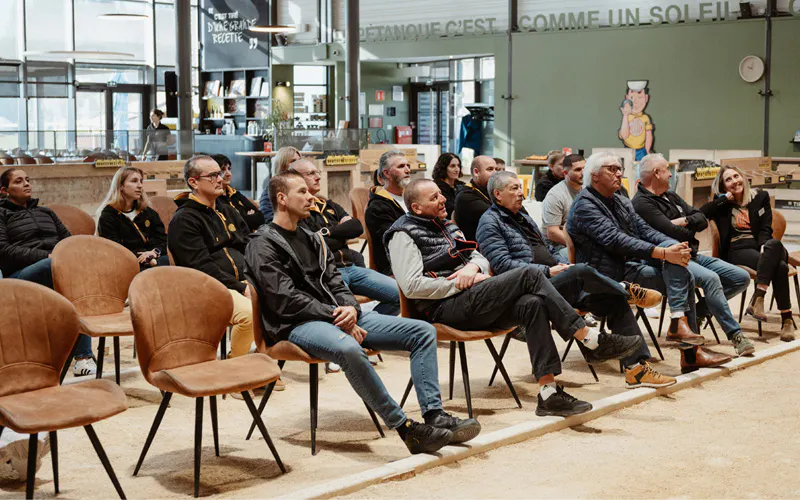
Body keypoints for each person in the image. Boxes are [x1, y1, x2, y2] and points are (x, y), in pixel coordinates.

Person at [245, 171, 481, 454]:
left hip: (336, 314)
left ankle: (435, 415)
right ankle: (406, 429)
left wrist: (351, 310)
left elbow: (335, 279)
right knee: (349, 349)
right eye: (303, 193)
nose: (311, 197)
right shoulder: (262, 243)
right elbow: (284, 298)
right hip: (295, 324)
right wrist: (338, 316)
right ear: (282, 199)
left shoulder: (311, 237)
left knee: (422, 331)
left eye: (310, 192)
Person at [387, 179, 644, 416]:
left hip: (472, 297)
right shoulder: (402, 234)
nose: (443, 199)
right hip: (443, 308)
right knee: (529, 275)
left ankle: (548, 393)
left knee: (532, 304)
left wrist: (472, 268)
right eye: (434, 198)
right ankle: (589, 338)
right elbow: (411, 286)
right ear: (417, 208)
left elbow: (478, 256)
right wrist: (457, 284)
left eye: (441, 194)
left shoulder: (448, 226)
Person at [477, 171, 673, 388]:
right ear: (497, 194)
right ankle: (625, 289)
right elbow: (503, 265)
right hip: (529, 290)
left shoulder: (522, 216)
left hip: (554, 282)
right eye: (513, 188)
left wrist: (559, 264)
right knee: (581, 270)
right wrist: (547, 270)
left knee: (612, 299)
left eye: (520, 187)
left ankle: (636, 369)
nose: (521, 193)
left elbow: (545, 247)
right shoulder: (489, 223)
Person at [567, 152, 732, 373]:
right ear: (595, 176)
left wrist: (672, 246)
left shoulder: (619, 201)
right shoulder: (585, 205)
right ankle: (684, 339)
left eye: (620, 169)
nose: (618, 173)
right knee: (681, 271)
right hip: (602, 276)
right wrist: (663, 253)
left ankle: (684, 338)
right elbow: (616, 240)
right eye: (612, 169)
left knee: (685, 275)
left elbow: (644, 230)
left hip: (627, 268)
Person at [632, 154, 754, 355]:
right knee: (711, 279)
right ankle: (736, 335)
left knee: (740, 278)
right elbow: (672, 232)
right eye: (666, 170)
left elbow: (702, 218)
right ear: (656, 173)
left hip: (692, 254)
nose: (670, 174)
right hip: (667, 259)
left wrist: (683, 222)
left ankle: (699, 312)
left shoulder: (670, 195)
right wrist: (688, 224)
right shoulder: (641, 203)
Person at [168, 156, 258, 392]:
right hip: (206, 288)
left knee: (279, 298)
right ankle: (235, 373)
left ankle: (259, 365)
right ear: (194, 182)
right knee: (249, 313)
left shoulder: (227, 210)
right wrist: (241, 288)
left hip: (240, 282)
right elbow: (201, 267)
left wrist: (256, 279)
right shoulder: (185, 219)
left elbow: (249, 246)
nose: (221, 179)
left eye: (220, 174)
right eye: (213, 176)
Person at [0, 168, 96, 376]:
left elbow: (67, 240)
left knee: (73, 273)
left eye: (27, 179)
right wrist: (47, 257)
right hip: (19, 275)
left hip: (55, 268)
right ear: (4, 190)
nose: (26, 184)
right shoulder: (2, 215)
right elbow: (4, 251)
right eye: (19, 181)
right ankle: (82, 356)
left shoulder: (46, 212)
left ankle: (82, 358)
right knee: (57, 270)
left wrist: (63, 255)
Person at [701, 164, 796, 342]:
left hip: (760, 248)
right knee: (781, 267)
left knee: (773, 244)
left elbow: (766, 228)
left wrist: (764, 247)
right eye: (728, 180)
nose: (734, 181)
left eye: (736, 176)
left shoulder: (759, 197)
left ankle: (759, 296)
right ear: (723, 186)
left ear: (742, 177)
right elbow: (701, 213)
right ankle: (786, 319)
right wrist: (724, 199)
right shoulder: (722, 205)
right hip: (737, 250)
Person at [96, 166, 170, 270]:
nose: (140, 186)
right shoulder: (108, 216)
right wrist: (143, 257)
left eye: (141, 181)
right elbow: (114, 249)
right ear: (121, 186)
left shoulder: (148, 212)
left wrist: (154, 252)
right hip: (125, 264)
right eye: (134, 181)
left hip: (154, 259)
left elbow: (162, 239)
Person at [365, 150, 410, 276]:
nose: (407, 170)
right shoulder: (377, 207)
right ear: (386, 173)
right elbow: (395, 241)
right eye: (401, 166)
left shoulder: (412, 196)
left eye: (408, 166)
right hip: (396, 266)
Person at [541, 154, 585, 259]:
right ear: (565, 173)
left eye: (585, 168)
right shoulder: (555, 195)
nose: (583, 173)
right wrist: (580, 244)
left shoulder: (587, 189)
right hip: (556, 246)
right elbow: (552, 232)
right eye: (578, 170)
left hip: (579, 240)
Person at [213, 153, 266, 232]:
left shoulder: (235, 193)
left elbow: (261, 218)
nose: (228, 174)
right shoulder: (214, 198)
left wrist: (243, 218)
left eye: (229, 169)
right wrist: (248, 217)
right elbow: (230, 225)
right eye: (223, 170)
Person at [453, 155, 497, 241]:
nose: (495, 173)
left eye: (496, 169)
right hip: (479, 249)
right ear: (476, 172)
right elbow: (499, 216)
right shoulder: (466, 196)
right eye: (490, 169)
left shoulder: (488, 190)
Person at [259, 146, 301, 223]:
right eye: (293, 161)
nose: (298, 164)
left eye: (299, 161)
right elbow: (266, 218)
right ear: (282, 165)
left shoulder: (302, 187)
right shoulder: (271, 190)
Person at [431, 153, 465, 219]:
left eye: (458, 166)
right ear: (443, 168)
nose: (457, 169)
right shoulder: (436, 187)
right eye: (452, 166)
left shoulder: (462, 185)